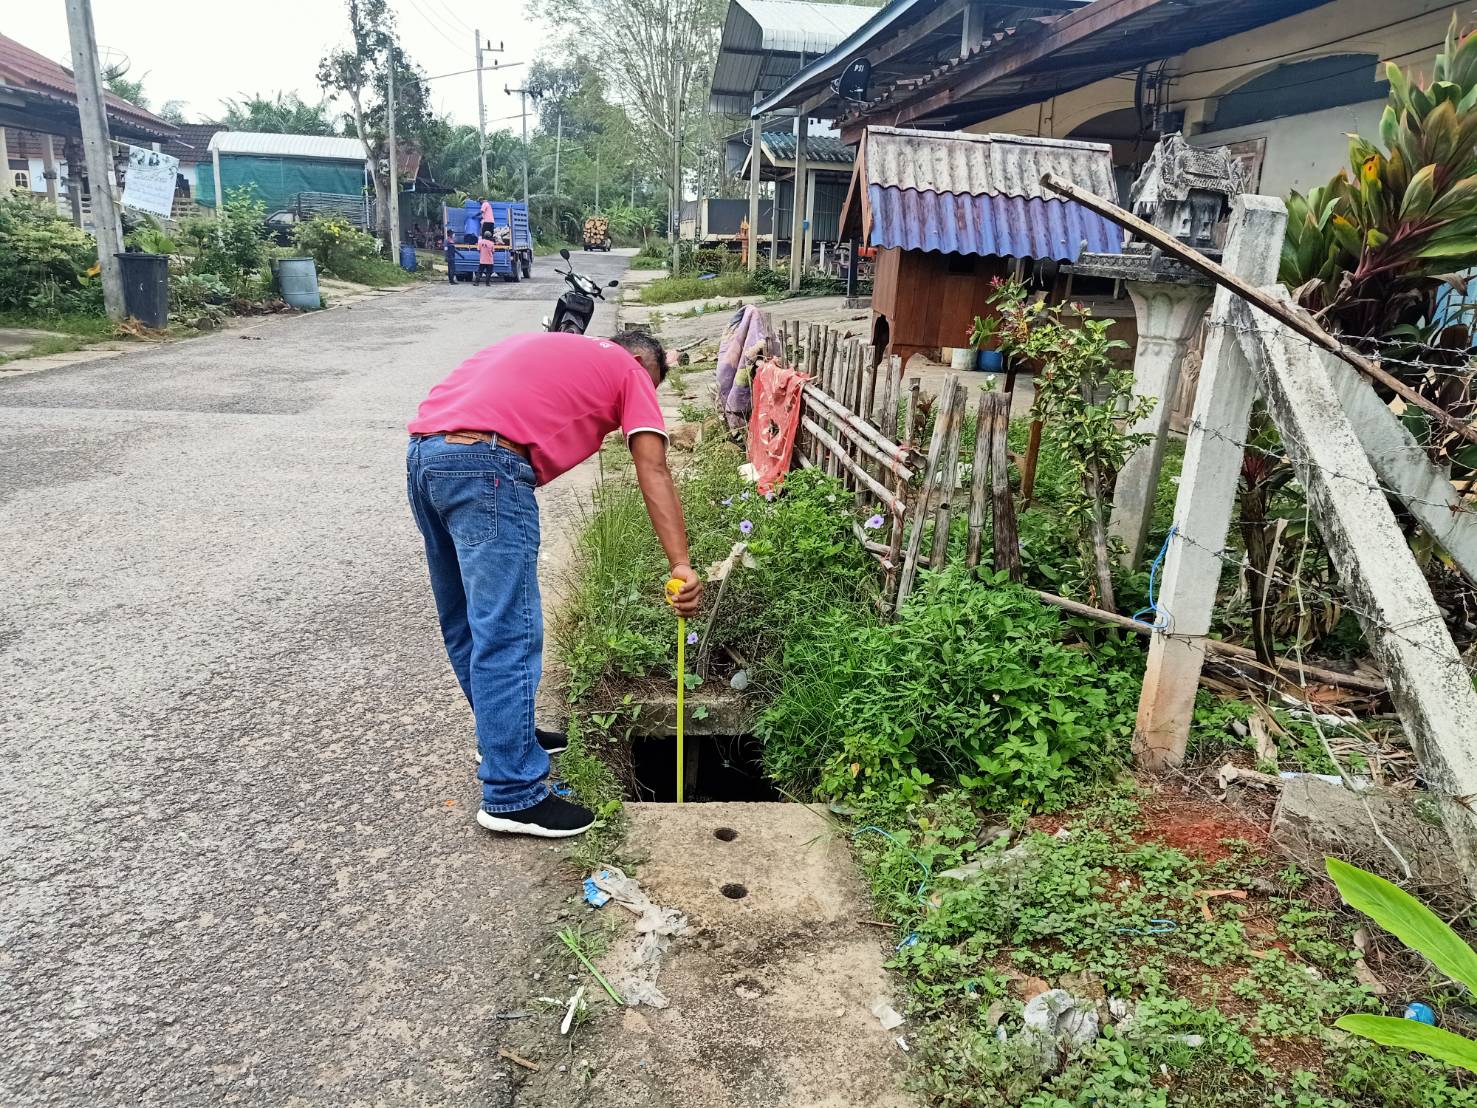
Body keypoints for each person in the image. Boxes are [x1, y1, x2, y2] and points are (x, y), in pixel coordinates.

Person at [406, 331, 702, 838]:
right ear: (638, 362)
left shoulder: (552, 349)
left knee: (467, 621)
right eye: (647, 389)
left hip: (424, 457)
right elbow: (652, 466)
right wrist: (681, 563)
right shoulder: (629, 368)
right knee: (508, 631)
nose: (628, 414)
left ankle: (506, 738)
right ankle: (513, 795)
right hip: (487, 466)